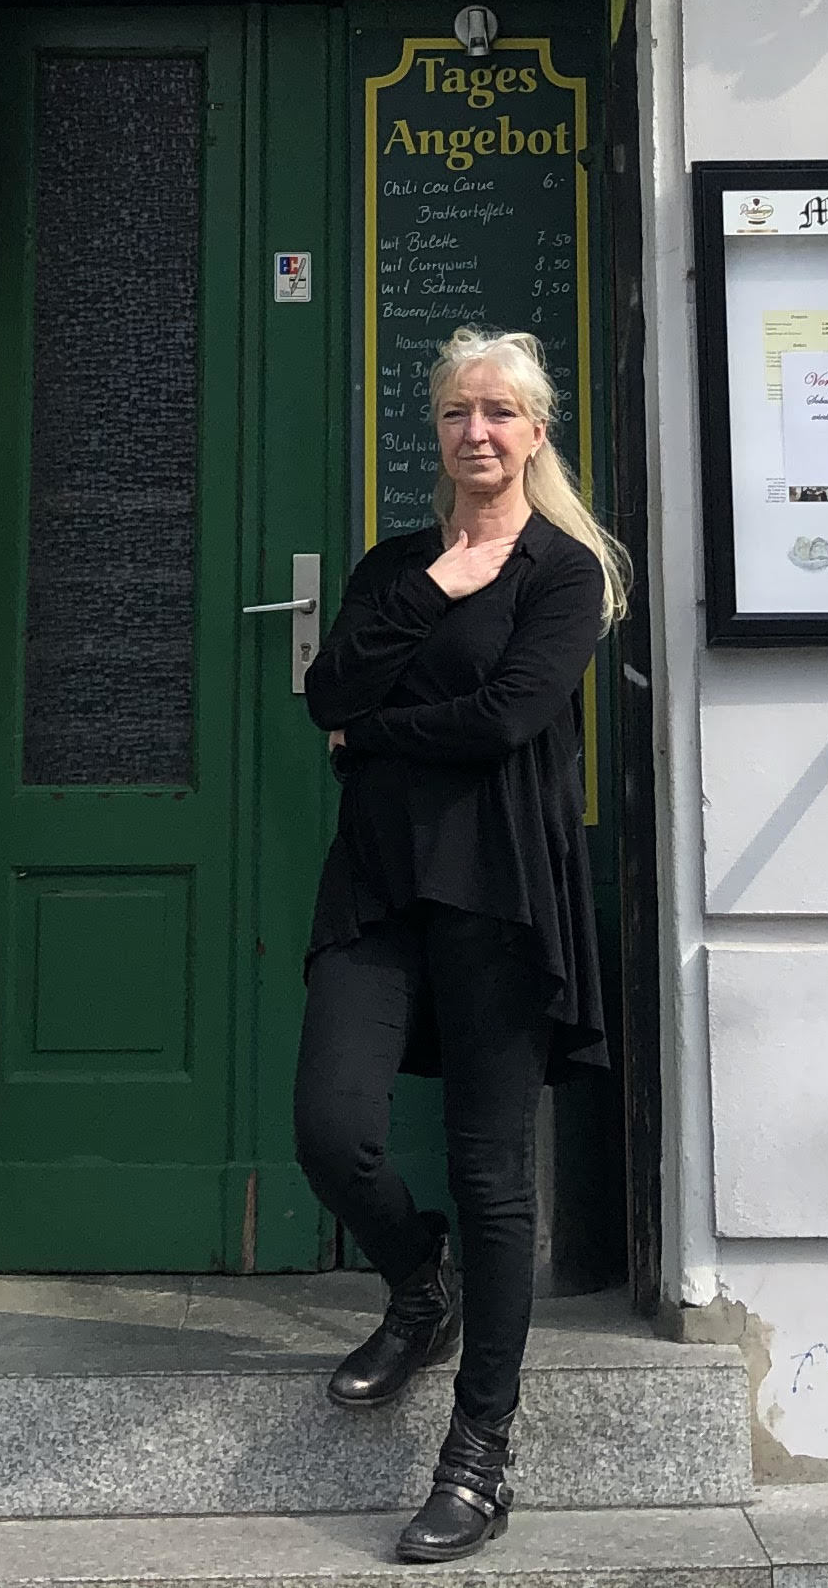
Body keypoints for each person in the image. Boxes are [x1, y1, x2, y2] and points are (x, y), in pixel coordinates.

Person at [295, 325, 624, 1565]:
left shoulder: (567, 572)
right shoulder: (395, 566)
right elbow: (329, 692)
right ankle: (416, 1284)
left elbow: (508, 718)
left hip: (500, 897)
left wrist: (378, 735)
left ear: (536, 429)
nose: (476, 432)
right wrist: (434, 590)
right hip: (377, 888)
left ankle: (481, 1449)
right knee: (332, 1128)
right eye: (454, 414)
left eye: (500, 412)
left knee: (494, 1175)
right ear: (436, 433)